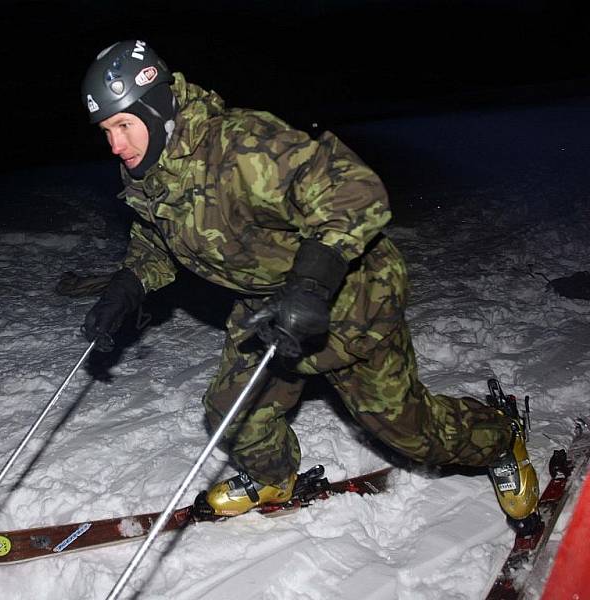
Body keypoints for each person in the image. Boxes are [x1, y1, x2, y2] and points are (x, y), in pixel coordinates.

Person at [79, 40, 539, 527]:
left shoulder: (241, 147)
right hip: (268, 306)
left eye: (124, 126)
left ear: (158, 110)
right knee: (232, 412)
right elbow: (159, 235)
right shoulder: (149, 172)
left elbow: (353, 191)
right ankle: (273, 476)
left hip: (348, 295)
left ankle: (499, 438)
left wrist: (312, 283)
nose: (116, 145)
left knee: (413, 434)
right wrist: (129, 283)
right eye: (107, 131)